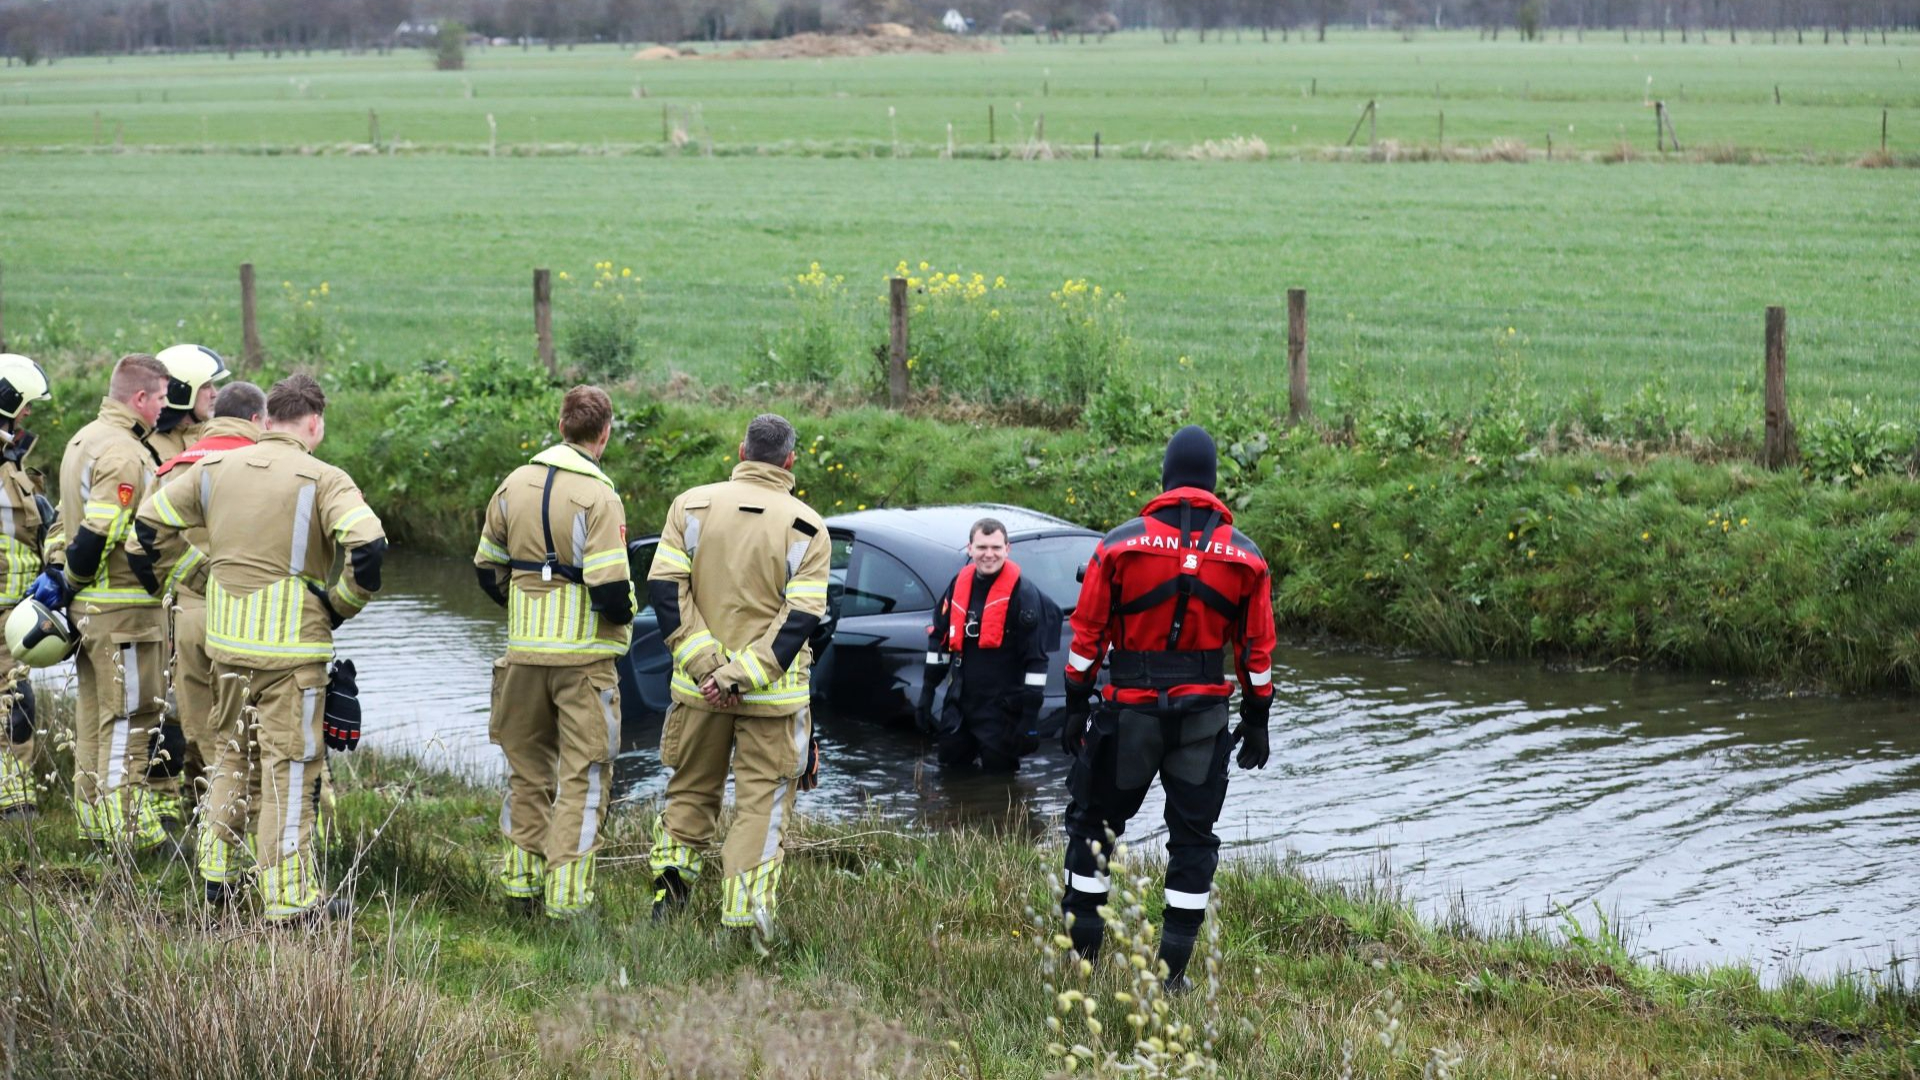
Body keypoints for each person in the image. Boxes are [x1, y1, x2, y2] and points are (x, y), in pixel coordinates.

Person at [131, 374, 386, 918]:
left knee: (229, 758)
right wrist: (339, 606)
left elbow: (146, 531)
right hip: (291, 656)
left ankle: (216, 877)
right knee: (290, 769)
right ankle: (290, 899)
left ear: (266, 420)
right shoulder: (325, 478)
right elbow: (369, 550)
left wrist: (199, 576)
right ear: (314, 424)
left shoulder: (213, 470)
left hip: (225, 649)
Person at [1057, 425, 1277, 992]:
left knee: (1092, 826)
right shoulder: (1247, 558)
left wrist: (1075, 705)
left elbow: (1087, 637)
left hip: (1129, 710)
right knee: (1193, 838)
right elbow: (1256, 653)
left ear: (1166, 476)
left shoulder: (1119, 544)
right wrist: (1258, 720)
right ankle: (1172, 974)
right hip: (1203, 717)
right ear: (1210, 481)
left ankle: (1082, 965)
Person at [646, 413, 830, 930]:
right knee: (760, 809)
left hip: (697, 689)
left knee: (688, 792)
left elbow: (665, 590)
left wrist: (709, 666)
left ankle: (668, 902)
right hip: (771, 701)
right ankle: (744, 922)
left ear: (741, 450)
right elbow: (800, 619)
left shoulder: (690, 505)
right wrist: (741, 675)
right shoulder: (808, 526)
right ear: (790, 461)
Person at [472, 385, 633, 920]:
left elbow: (485, 567)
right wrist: (626, 616)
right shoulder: (599, 495)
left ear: (562, 424)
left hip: (521, 659)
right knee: (584, 778)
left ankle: (520, 887)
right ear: (603, 433)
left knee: (526, 772)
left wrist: (523, 609)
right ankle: (568, 902)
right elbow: (610, 590)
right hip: (583, 664)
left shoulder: (513, 483)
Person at [30, 353, 172, 850]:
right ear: (139, 398)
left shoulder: (84, 439)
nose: (163, 408)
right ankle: (123, 832)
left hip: (93, 612)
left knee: (93, 718)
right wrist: (70, 577)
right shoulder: (124, 451)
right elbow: (99, 529)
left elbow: (64, 523)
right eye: (159, 398)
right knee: (129, 720)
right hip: (122, 613)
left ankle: (94, 822)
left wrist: (64, 581)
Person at [151, 380, 266, 836]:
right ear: (258, 420)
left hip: (190, 616)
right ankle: (258, 839)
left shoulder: (177, 467)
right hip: (253, 617)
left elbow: (148, 541)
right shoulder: (265, 467)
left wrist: (186, 581)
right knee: (253, 738)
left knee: (207, 734)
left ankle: (209, 838)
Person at [916, 517, 1059, 772]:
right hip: (960, 703)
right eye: (982, 548)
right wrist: (927, 694)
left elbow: (1036, 663)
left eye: (995, 548)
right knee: (951, 773)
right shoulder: (957, 585)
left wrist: (1029, 721)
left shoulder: (1024, 595)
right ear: (970, 549)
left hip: (1002, 710)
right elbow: (939, 640)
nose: (988, 555)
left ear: (1007, 549)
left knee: (1000, 783)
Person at [0, 354, 54, 820]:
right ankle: (13, 802)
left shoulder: (11, 463)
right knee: (12, 700)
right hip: (4, 604)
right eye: (25, 406)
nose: (28, 416)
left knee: (14, 696)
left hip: (15, 605)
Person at [147, 343, 230, 461]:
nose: (214, 394)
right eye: (206, 386)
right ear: (182, 393)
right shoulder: (148, 446)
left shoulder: (217, 436)